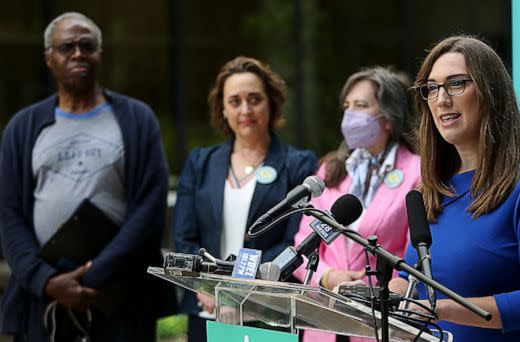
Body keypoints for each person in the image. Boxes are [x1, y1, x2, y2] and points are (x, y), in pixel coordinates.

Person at [0, 12, 177, 341]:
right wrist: (46, 280)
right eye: (67, 47)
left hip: (121, 296)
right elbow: (8, 215)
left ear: (99, 54)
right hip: (44, 300)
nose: (78, 53)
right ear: (49, 58)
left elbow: (150, 210)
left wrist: (96, 274)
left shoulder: (137, 120)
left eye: (87, 45)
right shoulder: (22, 128)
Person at [390, 35, 520, 341]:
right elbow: (411, 280)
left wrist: (441, 310)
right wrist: (366, 291)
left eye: (456, 83)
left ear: (490, 92)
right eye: (431, 88)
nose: (441, 99)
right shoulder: (432, 189)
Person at [172, 56, 317, 342]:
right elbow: (185, 238)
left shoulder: (297, 164)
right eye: (235, 101)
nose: (246, 109)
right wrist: (206, 287)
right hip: (207, 309)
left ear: (271, 103)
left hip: (267, 311)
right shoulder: (200, 162)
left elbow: (293, 241)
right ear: (223, 109)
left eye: (255, 99)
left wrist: (240, 289)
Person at [293, 66, 421, 342]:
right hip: (323, 323)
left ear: (387, 118)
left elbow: (417, 255)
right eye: (346, 106)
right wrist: (329, 277)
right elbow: (303, 243)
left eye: (360, 106)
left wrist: (384, 289)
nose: (349, 115)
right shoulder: (330, 170)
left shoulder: (417, 173)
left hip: (382, 322)